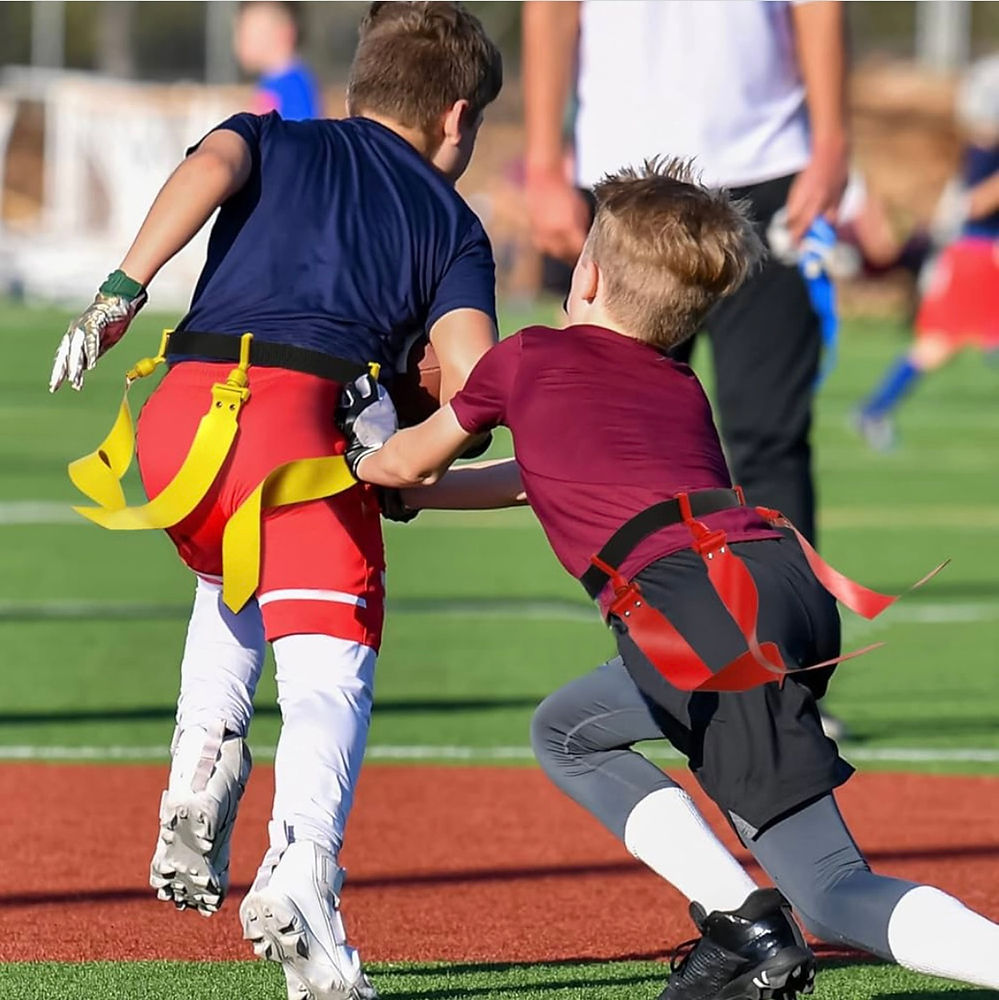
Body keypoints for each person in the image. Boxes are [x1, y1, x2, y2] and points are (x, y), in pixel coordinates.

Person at [339, 160, 999, 999]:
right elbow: (530, 474)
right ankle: (745, 922)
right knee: (592, 744)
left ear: (586, 273)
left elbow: (405, 459)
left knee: (807, 877)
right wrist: (414, 494)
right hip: (774, 579)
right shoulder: (677, 382)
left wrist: (361, 452)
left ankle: (749, 925)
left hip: (697, 608)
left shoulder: (526, 355)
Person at [48, 4, 502, 997]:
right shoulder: (452, 222)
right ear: (456, 120)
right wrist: (437, 456)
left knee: (231, 569)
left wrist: (122, 289)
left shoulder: (272, 132)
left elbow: (209, 168)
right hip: (301, 420)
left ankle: (199, 771)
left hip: (178, 416)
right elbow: (475, 386)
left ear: (360, 87)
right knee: (332, 655)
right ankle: (302, 866)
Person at [855, 54, 999, 451]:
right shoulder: (986, 147)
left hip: (977, 256)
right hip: (979, 257)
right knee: (939, 344)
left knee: (940, 345)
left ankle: (875, 409)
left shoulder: (980, 145)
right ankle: (874, 410)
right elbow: (977, 202)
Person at [234, 0, 321, 120]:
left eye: (249, 33)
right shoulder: (269, 84)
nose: (239, 42)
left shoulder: (293, 88)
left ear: (284, 33)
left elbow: (299, 136)